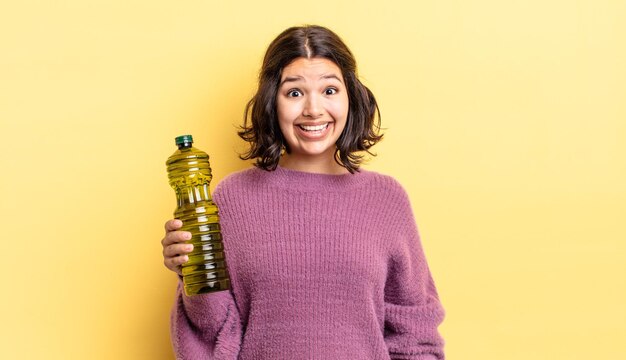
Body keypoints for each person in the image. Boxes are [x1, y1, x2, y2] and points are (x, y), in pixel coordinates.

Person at [161, 25, 445, 360]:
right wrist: (192, 274)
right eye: (294, 93)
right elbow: (214, 334)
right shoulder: (232, 199)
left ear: (350, 98)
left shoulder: (386, 199)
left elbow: (416, 335)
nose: (313, 109)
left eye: (329, 90)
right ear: (272, 102)